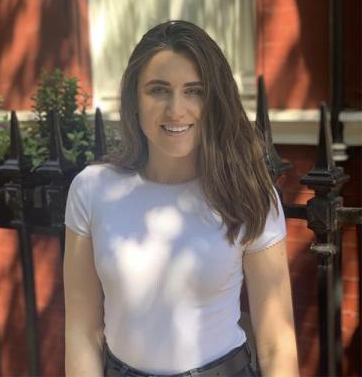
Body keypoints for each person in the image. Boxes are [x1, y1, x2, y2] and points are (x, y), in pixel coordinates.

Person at [64, 20, 299, 377]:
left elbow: (276, 343)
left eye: (195, 91)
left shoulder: (248, 192)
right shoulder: (92, 190)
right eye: (158, 90)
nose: (176, 109)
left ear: (214, 100)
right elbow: (82, 331)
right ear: (134, 99)